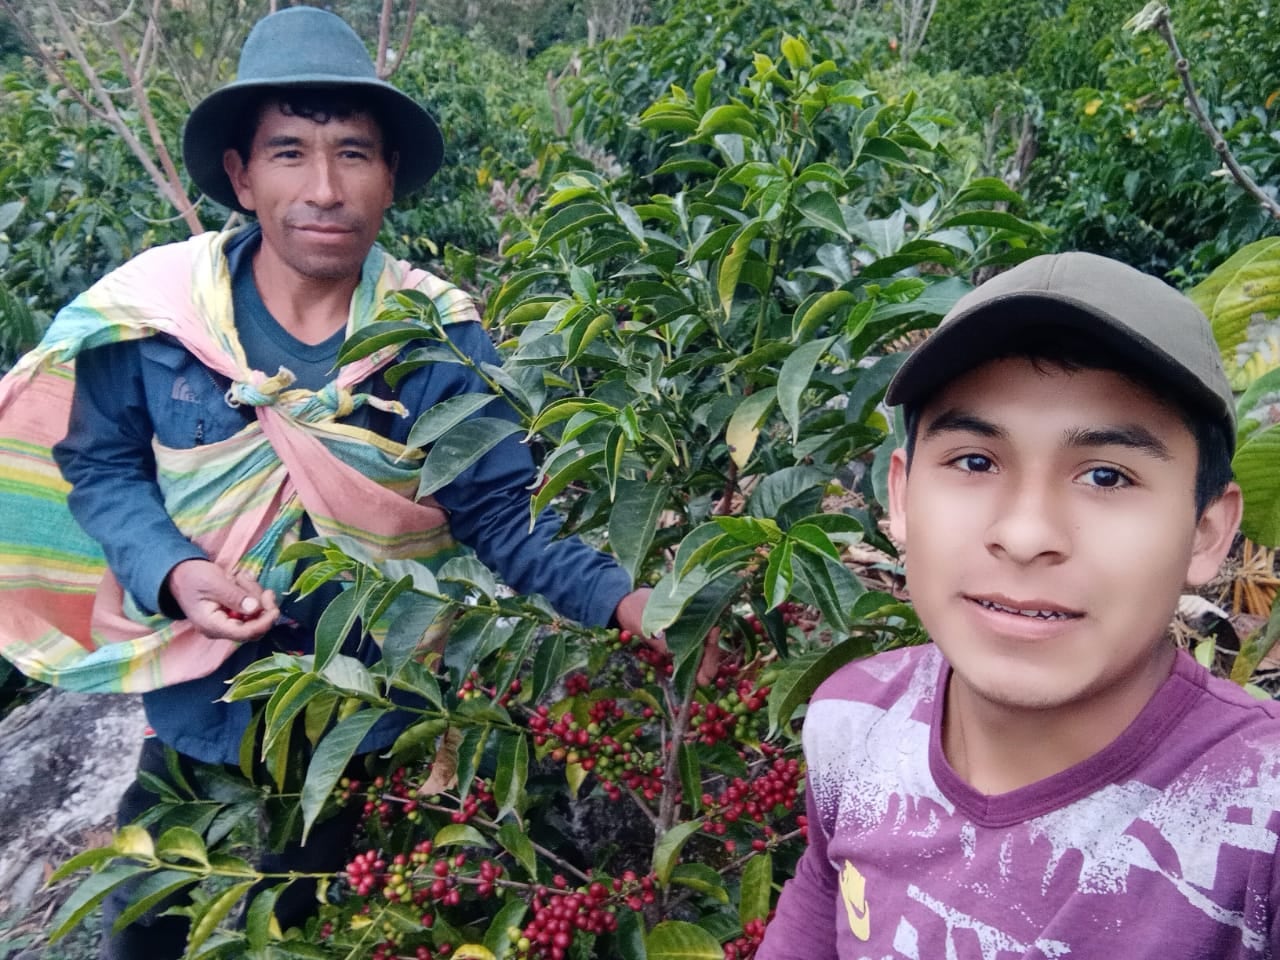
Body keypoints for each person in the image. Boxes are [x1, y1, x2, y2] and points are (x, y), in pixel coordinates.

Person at [0, 7, 669, 956]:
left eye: (353, 154)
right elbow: (100, 466)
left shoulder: (434, 335)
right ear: (240, 174)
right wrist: (174, 572)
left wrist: (626, 602)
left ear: (389, 177)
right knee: (145, 922)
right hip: (202, 707)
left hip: (367, 718)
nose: (324, 188)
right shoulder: (158, 317)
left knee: (322, 917)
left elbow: (498, 519)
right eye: (288, 153)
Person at [756, 252, 1280, 958]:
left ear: (1206, 532)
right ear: (902, 498)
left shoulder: (1259, 819)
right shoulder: (852, 723)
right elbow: (822, 904)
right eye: (975, 461)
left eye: (1106, 475)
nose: (1027, 534)